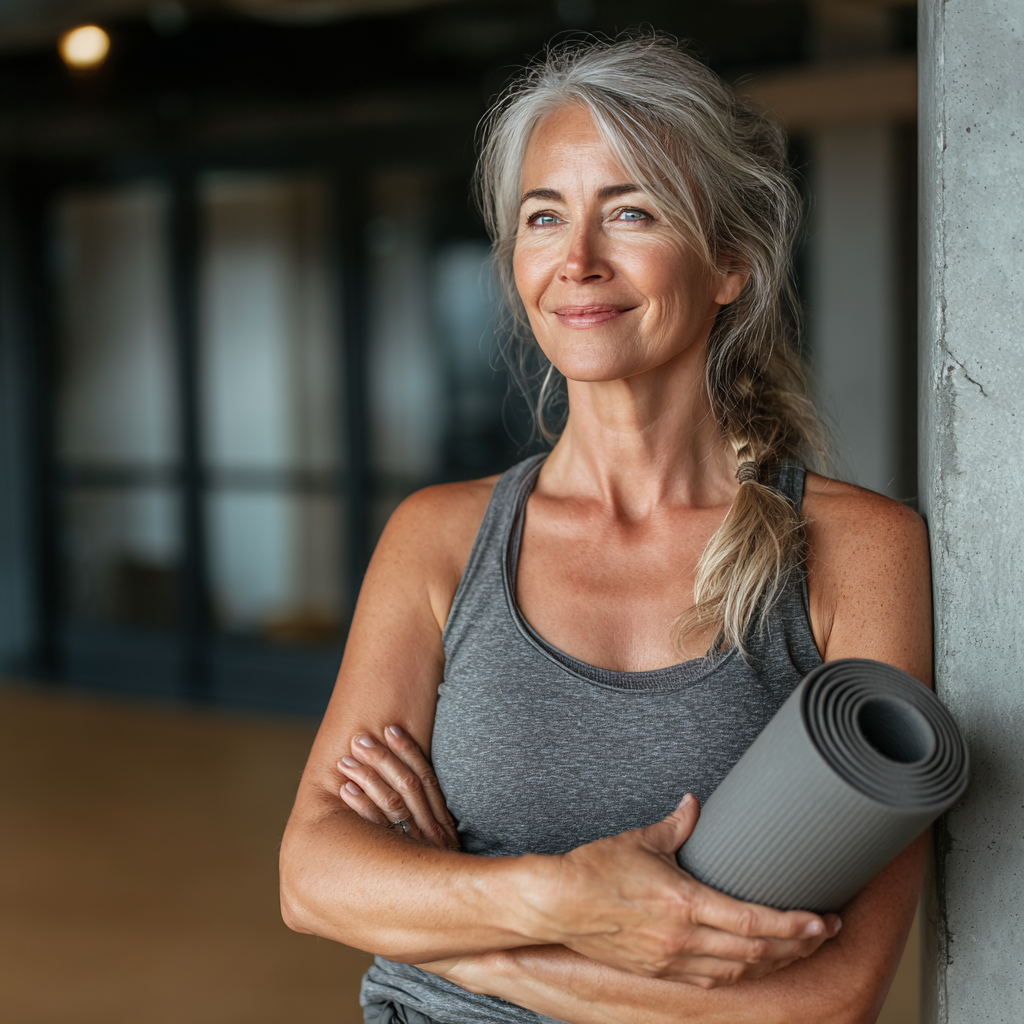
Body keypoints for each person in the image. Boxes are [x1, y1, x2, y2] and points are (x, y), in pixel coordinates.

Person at [280, 34, 931, 1024]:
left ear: (729, 264)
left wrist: (452, 916)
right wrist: (563, 899)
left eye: (629, 212)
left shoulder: (860, 550)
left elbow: (829, 999)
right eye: (545, 217)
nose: (577, 261)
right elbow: (313, 878)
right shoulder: (441, 537)